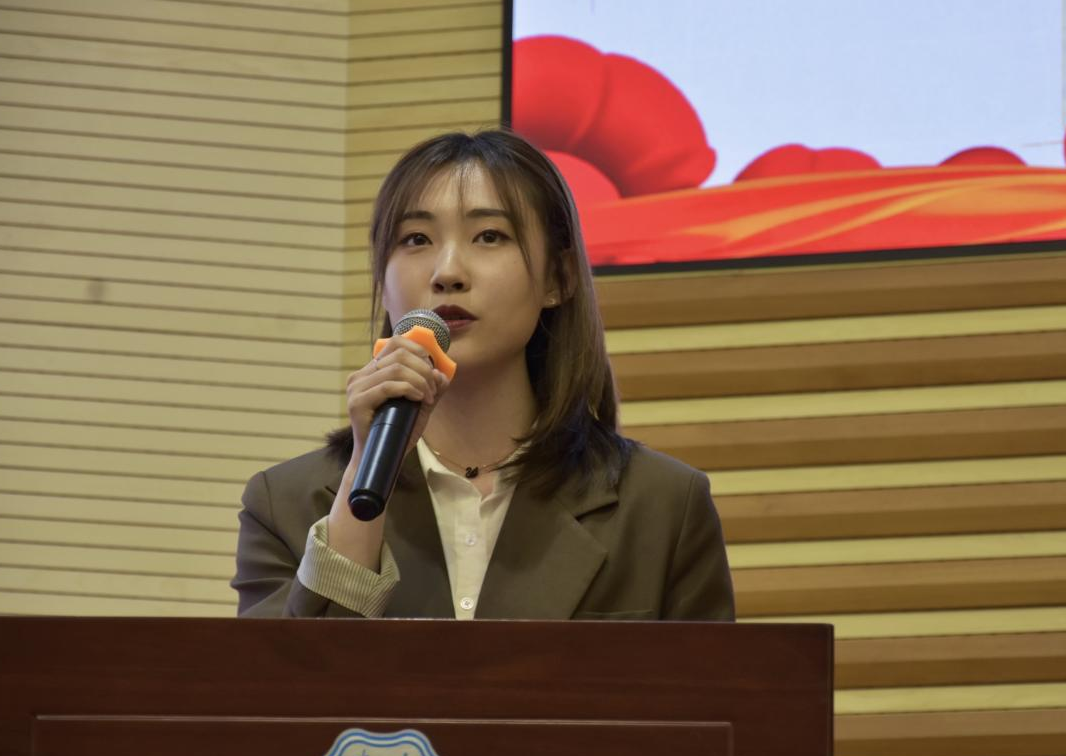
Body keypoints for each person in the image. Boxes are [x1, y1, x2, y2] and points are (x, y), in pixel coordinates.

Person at [231, 130, 735, 621]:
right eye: (416, 239)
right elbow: (293, 676)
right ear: (382, 282)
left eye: (489, 236)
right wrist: (362, 484)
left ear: (558, 278)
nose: (447, 272)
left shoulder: (663, 506)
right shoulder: (284, 504)